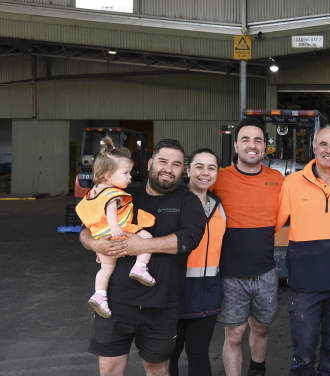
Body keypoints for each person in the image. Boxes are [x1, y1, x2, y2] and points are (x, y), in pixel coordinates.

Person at [79, 139, 206, 376]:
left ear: (183, 170)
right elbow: (87, 228)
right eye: (163, 161)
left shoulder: (188, 201)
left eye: (176, 164)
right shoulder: (123, 193)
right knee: (109, 371)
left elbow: (189, 238)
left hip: (161, 304)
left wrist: (142, 245)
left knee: (158, 370)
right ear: (150, 164)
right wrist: (97, 244)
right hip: (115, 302)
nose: (169, 168)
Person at [276, 125, 330, 376]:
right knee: (303, 349)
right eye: (323, 144)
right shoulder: (292, 183)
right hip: (304, 285)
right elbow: (272, 224)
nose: (328, 150)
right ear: (313, 148)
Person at [211, 117, 284, 376]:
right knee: (234, 334)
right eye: (245, 139)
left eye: (257, 140)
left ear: (265, 146)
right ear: (235, 145)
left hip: (265, 270)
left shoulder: (278, 179)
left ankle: (257, 369)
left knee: (261, 327)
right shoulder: (219, 178)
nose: (251, 145)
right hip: (230, 273)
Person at [76, 136, 157, 319]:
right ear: (108, 175)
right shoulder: (113, 193)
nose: (130, 177)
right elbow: (111, 210)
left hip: (101, 239)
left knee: (105, 269)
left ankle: (100, 295)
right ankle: (140, 266)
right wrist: (115, 227)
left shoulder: (93, 193)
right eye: (126, 173)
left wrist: (97, 245)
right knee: (147, 238)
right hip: (118, 232)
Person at [169, 149, 226, 376]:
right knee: (168, 357)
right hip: (173, 295)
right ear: (188, 170)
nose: (205, 173)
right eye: (199, 167)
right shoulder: (173, 202)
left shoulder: (218, 206)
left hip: (206, 296)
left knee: (199, 356)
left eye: (211, 168)